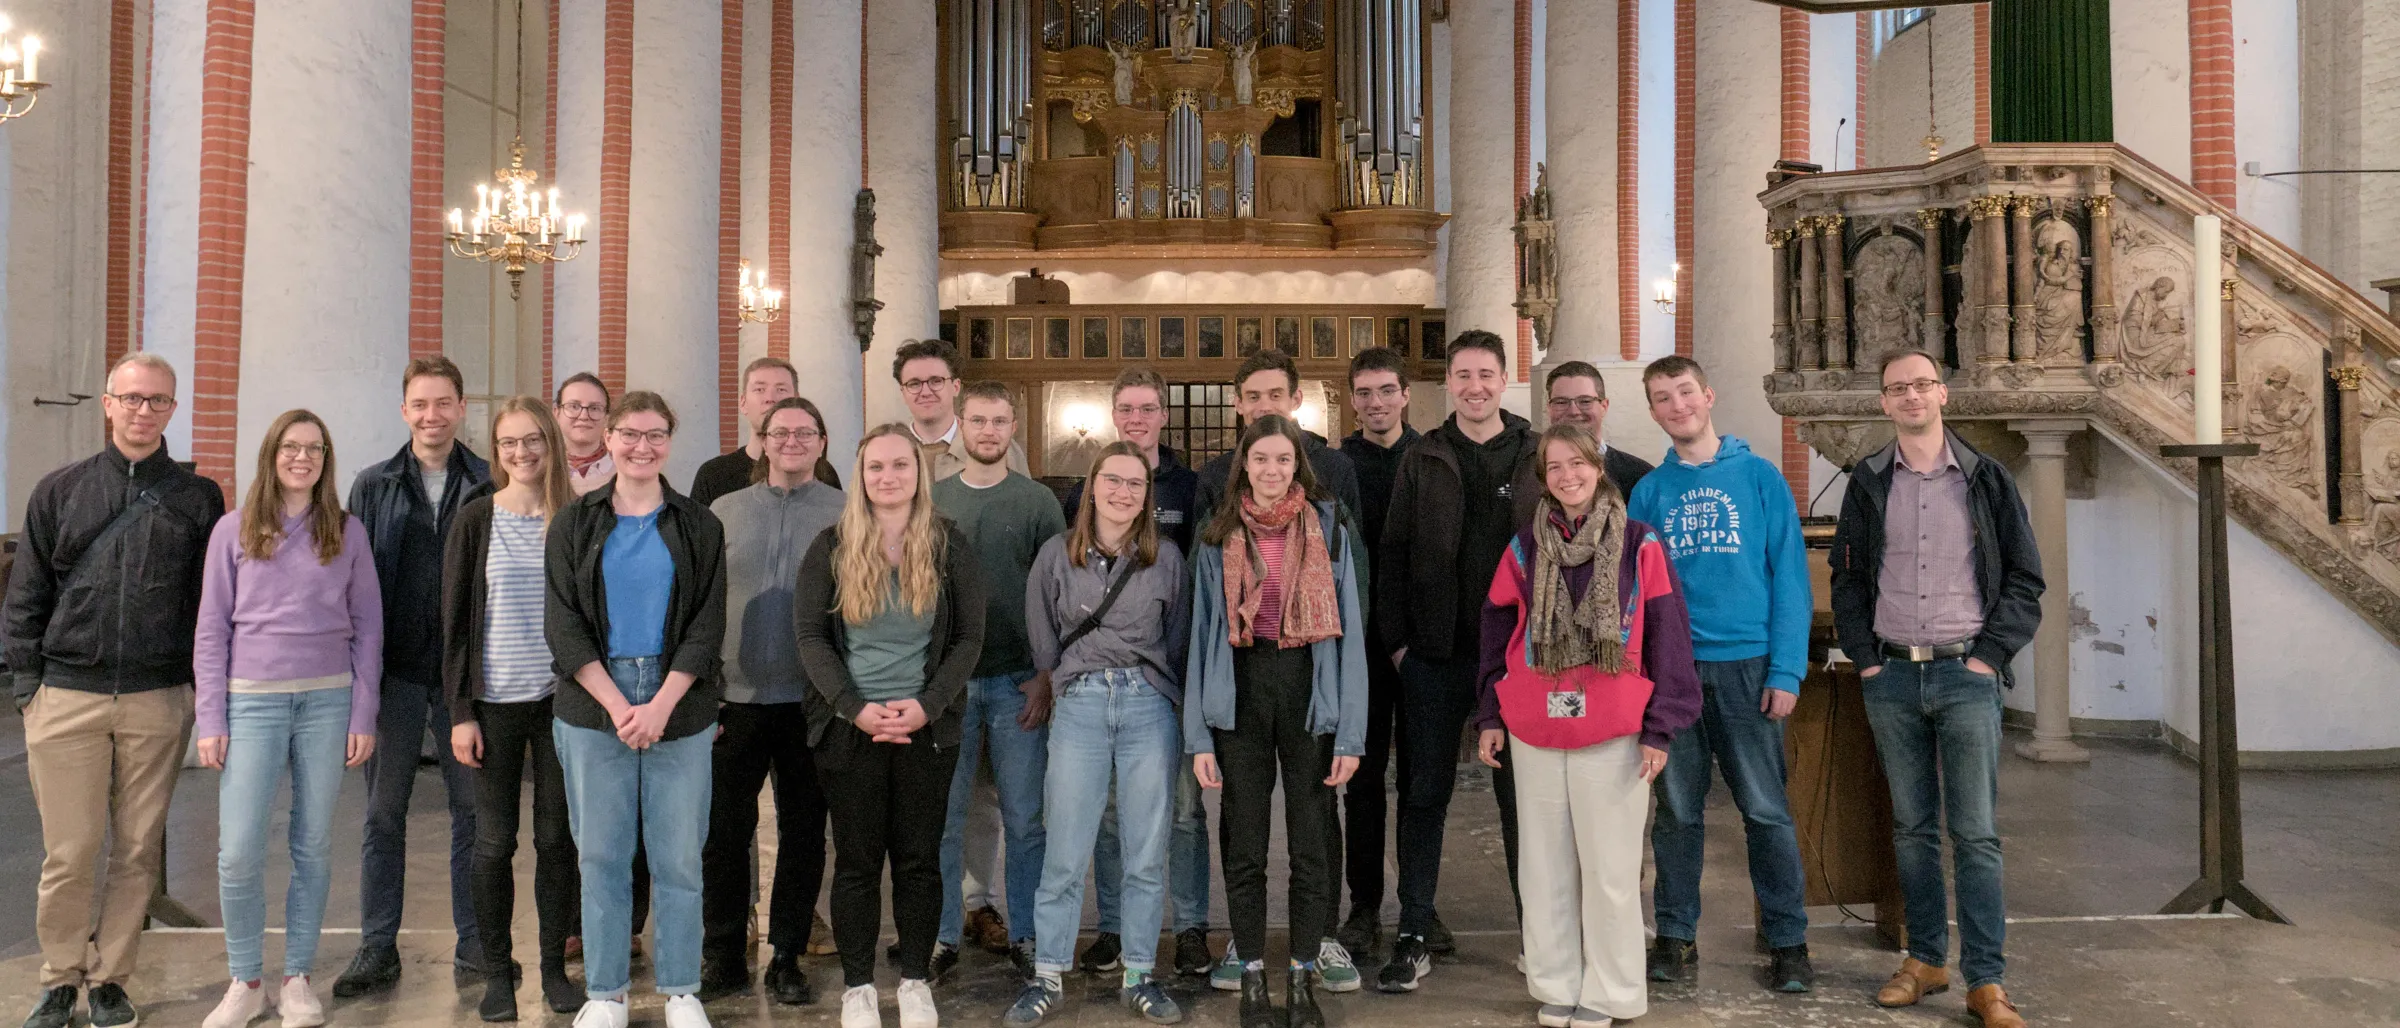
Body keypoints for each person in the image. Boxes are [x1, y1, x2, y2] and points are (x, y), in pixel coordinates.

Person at [4, 352, 224, 1028]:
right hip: (67, 695)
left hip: (156, 697)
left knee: (135, 851)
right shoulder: (60, 490)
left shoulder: (198, 498)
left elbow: (206, 605)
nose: (143, 410)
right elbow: (26, 595)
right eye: (131, 398)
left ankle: (110, 980)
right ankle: (58, 978)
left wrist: (194, 691)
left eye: (157, 400)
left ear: (173, 409)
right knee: (69, 854)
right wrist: (29, 690)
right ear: (107, 404)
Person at [1831, 349, 2042, 1028]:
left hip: (1964, 675)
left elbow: (2024, 579)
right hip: (1892, 675)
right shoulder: (1867, 481)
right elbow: (1848, 578)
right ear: (1884, 403)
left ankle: (1987, 980)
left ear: (1942, 394)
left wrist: (1987, 658)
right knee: (1913, 830)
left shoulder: (1986, 479)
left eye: (1922, 385)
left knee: (1975, 834)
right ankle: (1925, 959)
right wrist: (1865, 659)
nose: (1912, 397)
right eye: (1898, 389)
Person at [1473, 424, 1702, 1028]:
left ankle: (1612, 990)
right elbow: (1497, 629)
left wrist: (1660, 728)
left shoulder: (1638, 543)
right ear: (1542, 480)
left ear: (1597, 468)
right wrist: (1490, 712)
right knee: (1543, 863)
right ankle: (1555, 981)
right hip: (1534, 726)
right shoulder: (1525, 547)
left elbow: (1669, 635)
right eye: (1554, 468)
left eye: (1577, 463)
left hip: (1614, 726)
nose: (1567, 476)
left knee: (1611, 869)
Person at [1624, 356, 1816, 993]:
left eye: (1685, 392)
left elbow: (1789, 577)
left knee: (1764, 810)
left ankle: (1787, 941)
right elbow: (1638, 596)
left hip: (1748, 664)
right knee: (1677, 813)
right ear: (1653, 412)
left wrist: (1787, 668)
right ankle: (1675, 937)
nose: (1677, 406)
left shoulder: (1760, 478)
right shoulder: (1649, 492)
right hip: (1672, 673)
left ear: (1707, 395)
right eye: (1662, 398)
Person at [792, 425, 986, 1028]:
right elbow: (811, 639)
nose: (888, 477)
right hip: (852, 729)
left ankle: (914, 979)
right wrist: (854, 706)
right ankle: (856, 985)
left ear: (917, 473)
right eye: (875, 467)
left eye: (900, 465)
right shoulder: (831, 544)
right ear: (861, 474)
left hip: (927, 728)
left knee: (919, 860)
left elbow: (967, 639)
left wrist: (928, 704)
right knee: (855, 862)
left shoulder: (949, 544)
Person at [545, 391, 729, 1028]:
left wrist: (661, 705)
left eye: (655, 435)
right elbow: (563, 628)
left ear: (670, 442)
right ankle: (606, 992)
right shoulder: (574, 523)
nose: (641, 446)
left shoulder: (699, 525)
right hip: (595, 700)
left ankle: (682, 989)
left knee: (678, 853)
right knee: (600, 852)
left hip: (679, 698)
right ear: (610, 438)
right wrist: (621, 704)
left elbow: (707, 627)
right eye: (629, 434)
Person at [190, 410, 379, 1028]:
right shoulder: (233, 531)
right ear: (272, 455)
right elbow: (212, 628)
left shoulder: (346, 532)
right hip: (252, 703)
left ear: (327, 458)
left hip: (327, 701)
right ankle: (245, 979)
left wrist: (363, 709)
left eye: (315, 448)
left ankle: (297, 976)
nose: (303, 457)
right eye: (292, 447)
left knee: (314, 843)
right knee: (239, 849)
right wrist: (210, 716)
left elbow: (369, 627)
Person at [1184, 414, 1369, 1028]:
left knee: (1313, 841)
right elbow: (1200, 636)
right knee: (1244, 843)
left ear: (1298, 466)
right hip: (1239, 689)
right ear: (1245, 465)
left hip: (1308, 690)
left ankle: (1303, 973)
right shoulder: (1217, 535)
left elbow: (1351, 637)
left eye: (1283, 460)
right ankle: (1254, 979)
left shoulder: (1329, 528)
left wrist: (1351, 732)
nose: (1271, 470)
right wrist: (1197, 735)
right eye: (1260, 459)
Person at [1003, 442, 1193, 1028]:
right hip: (1081, 703)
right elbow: (1041, 634)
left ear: (1146, 496)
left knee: (1143, 851)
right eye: (1113, 481)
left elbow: (1178, 636)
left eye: (1136, 485)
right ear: (1092, 487)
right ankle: (1049, 974)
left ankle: (1140, 972)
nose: (1123, 493)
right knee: (1065, 847)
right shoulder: (1057, 556)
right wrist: (1060, 679)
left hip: (1146, 706)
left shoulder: (1166, 560)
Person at [1374, 330, 1542, 992]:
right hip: (1437, 656)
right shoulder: (1425, 456)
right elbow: (1392, 551)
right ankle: (1413, 928)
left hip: (1519, 658)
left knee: (1520, 801)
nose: (1475, 387)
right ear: (1449, 383)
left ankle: (1540, 931)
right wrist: (1400, 643)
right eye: (1463, 375)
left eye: (1486, 375)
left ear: (1505, 380)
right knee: (1424, 794)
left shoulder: (1536, 453)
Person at [337, 354, 493, 998]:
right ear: (404, 411)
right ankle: (377, 946)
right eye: (419, 404)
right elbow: (350, 581)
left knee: (471, 814)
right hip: (394, 673)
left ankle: (477, 944)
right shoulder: (373, 485)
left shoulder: (489, 480)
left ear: (461, 408)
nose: (431, 416)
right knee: (383, 814)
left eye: (443, 403)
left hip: (466, 676)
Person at [443, 397, 585, 1019]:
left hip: (563, 705)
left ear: (551, 444)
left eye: (533, 440)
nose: (522, 453)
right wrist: (459, 713)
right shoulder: (476, 519)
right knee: (493, 844)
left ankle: (555, 969)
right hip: (494, 705)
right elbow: (452, 626)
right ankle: (499, 974)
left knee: (558, 841)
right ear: (496, 452)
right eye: (508, 443)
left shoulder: (576, 518)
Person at [700, 397, 845, 1004]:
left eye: (803, 432)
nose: (791, 441)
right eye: (779, 432)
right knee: (724, 834)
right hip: (734, 699)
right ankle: (724, 953)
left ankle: (786, 953)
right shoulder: (723, 512)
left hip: (812, 701)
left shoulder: (846, 512)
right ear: (760, 441)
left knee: (804, 833)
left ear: (821, 442)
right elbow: (699, 607)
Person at [1068, 367, 1212, 978]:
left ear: (1162, 415)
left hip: (1169, 678)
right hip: (1101, 684)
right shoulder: (1091, 485)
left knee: (1181, 811)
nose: (1136, 418)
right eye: (1125, 408)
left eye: (1147, 408)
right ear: (1112, 413)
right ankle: (1112, 928)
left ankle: (1192, 927)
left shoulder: (1193, 485)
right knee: (1106, 809)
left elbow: (1197, 582)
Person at [929, 383, 1066, 977]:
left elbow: (1058, 595)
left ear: (1014, 428)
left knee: (1025, 819)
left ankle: (1029, 935)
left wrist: (1046, 676)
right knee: (945, 819)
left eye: (1000, 421)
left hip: (1017, 681)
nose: (989, 431)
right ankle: (938, 938)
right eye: (978, 421)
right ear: (961, 426)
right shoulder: (932, 500)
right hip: (950, 687)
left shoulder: (1037, 502)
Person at [1332, 346, 1416, 958]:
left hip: (1419, 646)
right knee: (1359, 781)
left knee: (1421, 781)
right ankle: (1363, 904)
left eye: (1386, 390)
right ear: (1351, 400)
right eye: (1364, 393)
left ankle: (1419, 903)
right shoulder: (1337, 467)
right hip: (1358, 644)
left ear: (1405, 394)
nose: (1376, 403)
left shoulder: (1431, 455)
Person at [1194, 348, 1363, 524]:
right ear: (1238, 404)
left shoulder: (1336, 468)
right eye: (1253, 397)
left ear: (1296, 400)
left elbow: (1352, 548)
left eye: (1275, 395)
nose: (1265, 406)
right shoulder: (1215, 475)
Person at [691, 357, 841, 508]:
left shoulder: (823, 472)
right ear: (743, 403)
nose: (770, 399)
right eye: (760, 390)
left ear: (797, 400)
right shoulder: (713, 475)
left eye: (781, 390)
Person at [893, 338, 1027, 479]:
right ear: (903, 393)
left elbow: (1025, 499)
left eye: (936, 381)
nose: (925, 392)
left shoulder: (1000, 447)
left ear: (956, 387)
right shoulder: (888, 449)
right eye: (914, 384)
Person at [1542, 361, 1654, 497]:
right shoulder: (1529, 470)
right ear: (1549, 408)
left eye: (1585, 401)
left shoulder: (1639, 476)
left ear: (1604, 406)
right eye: (1561, 402)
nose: (1573, 411)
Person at [557, 372, 617, 495]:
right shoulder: (541, 469)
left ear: (606, 418)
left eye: (594, 408)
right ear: (556, 413)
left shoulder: (624, 473)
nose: (583, 416)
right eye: (574, 406)